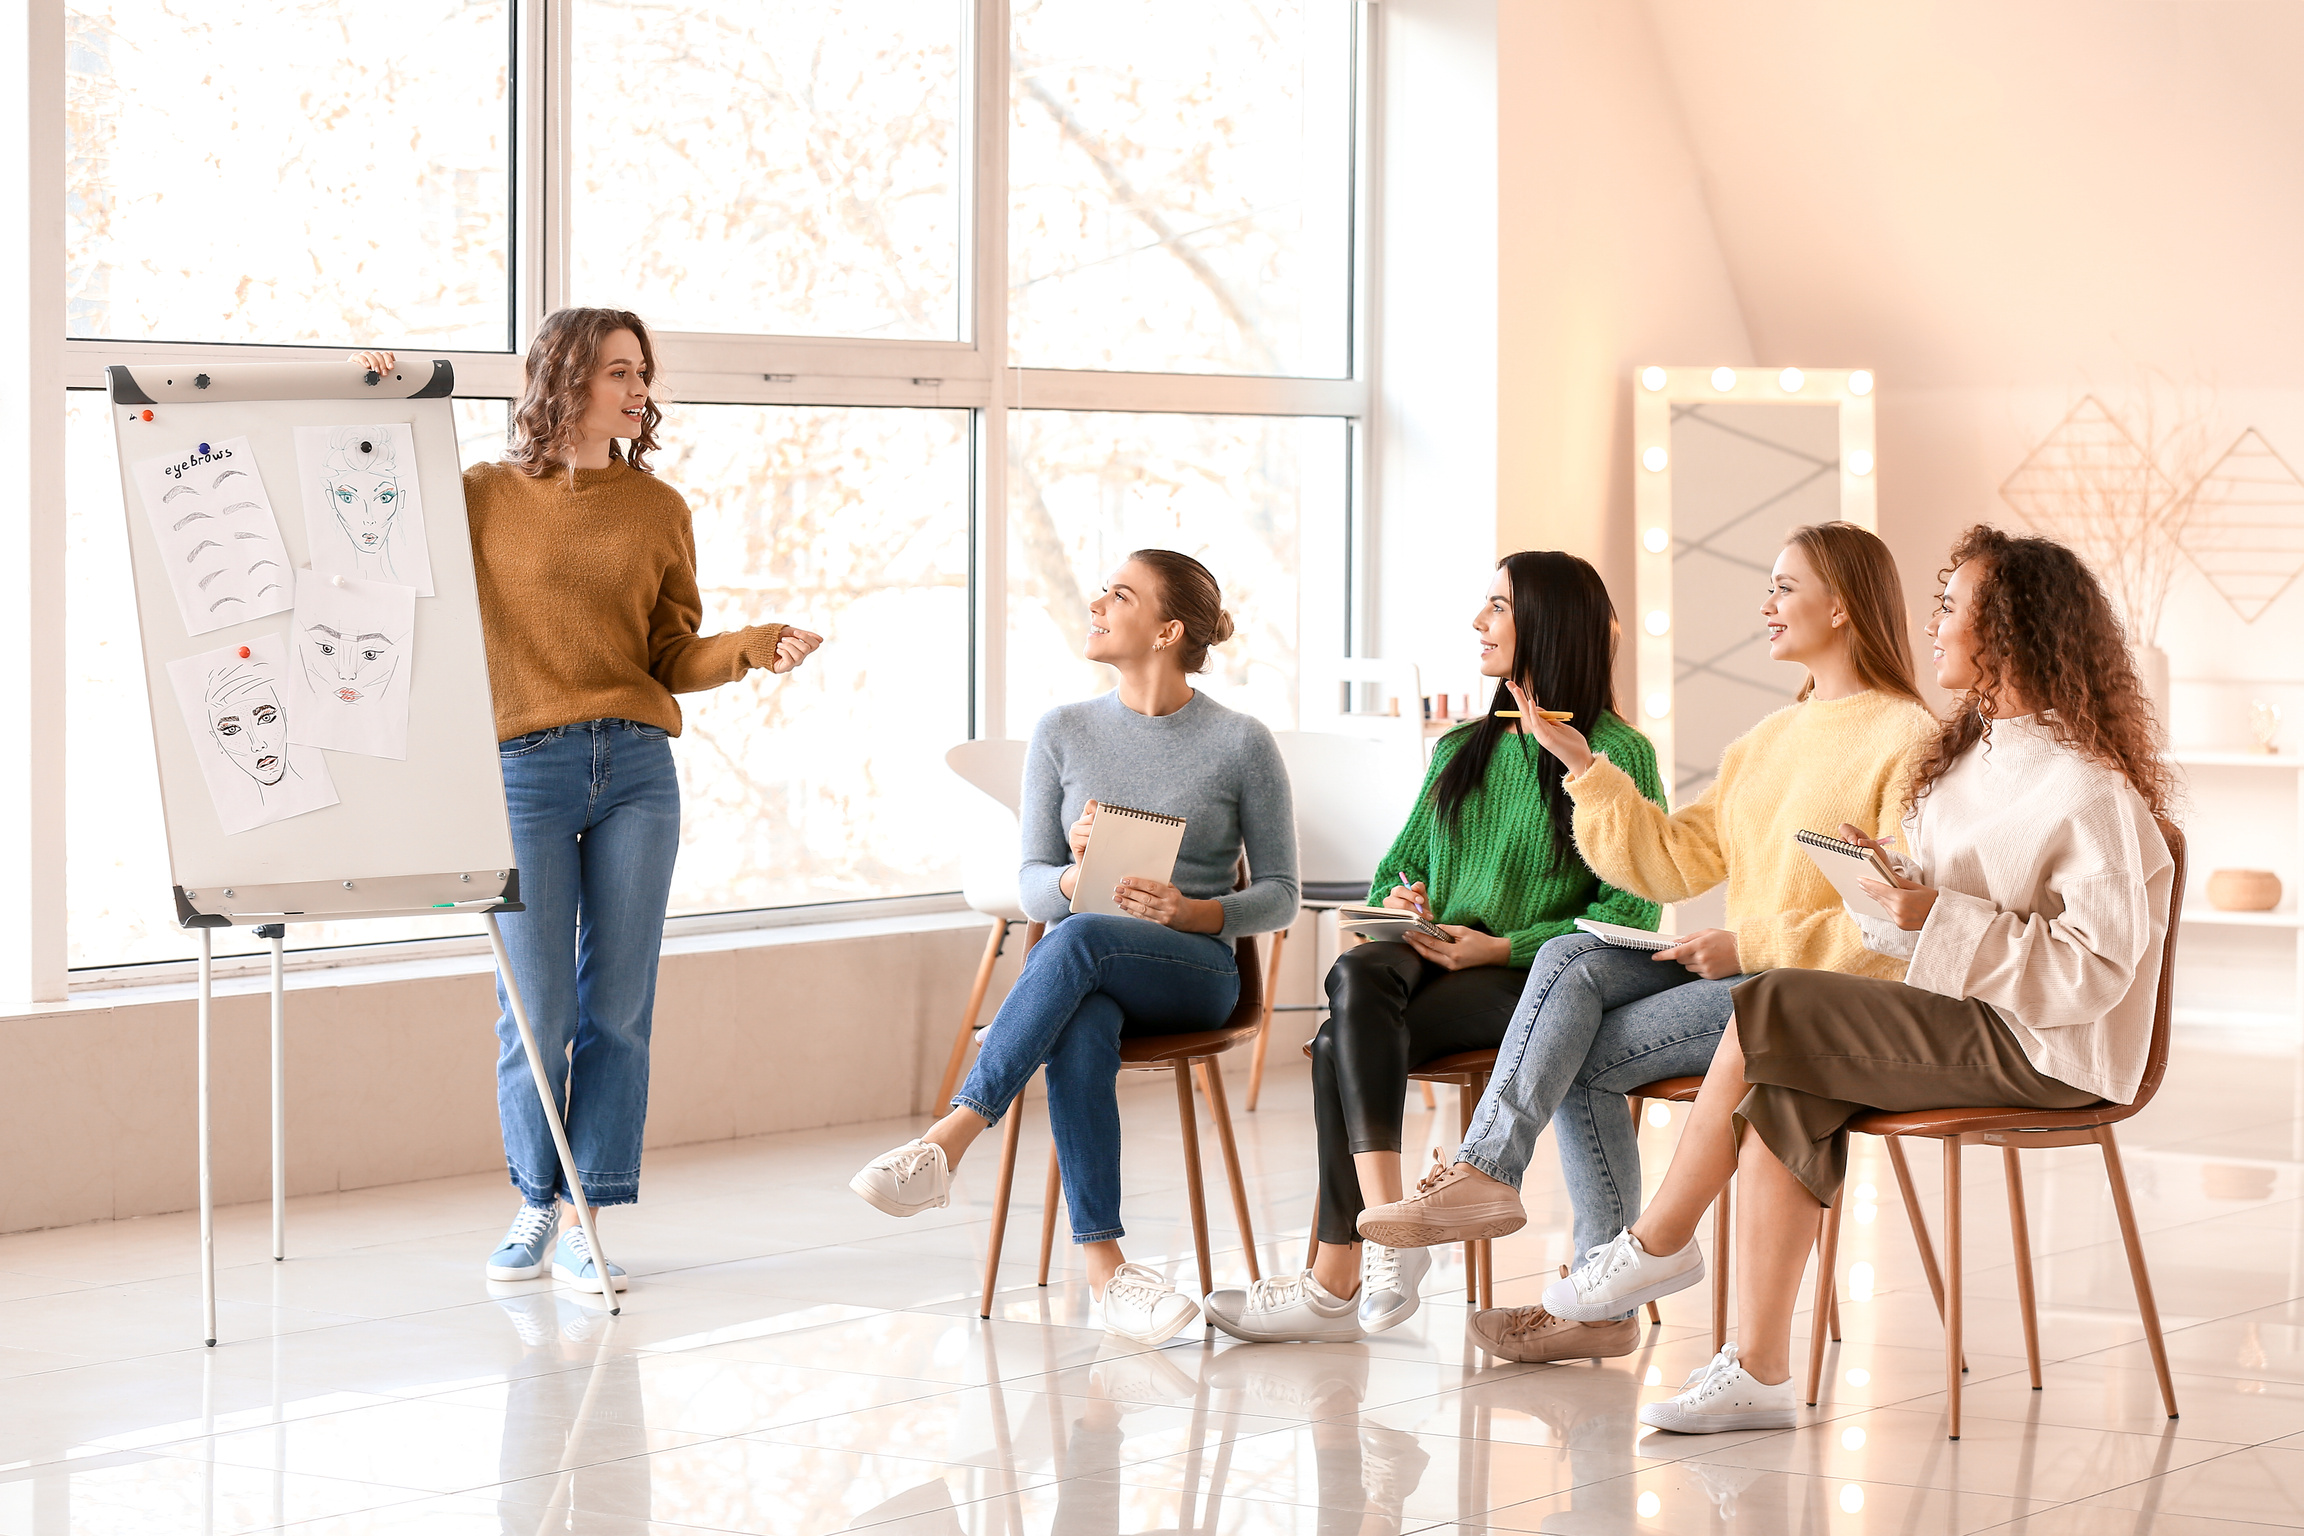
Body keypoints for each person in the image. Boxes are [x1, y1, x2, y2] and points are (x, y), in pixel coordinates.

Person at [1544, 526, 2175, 1434]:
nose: (1934, 625)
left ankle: (1657, 1243)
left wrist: (1935, 918)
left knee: (1772, 1003)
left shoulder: (2090, 790)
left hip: (2046, 1049)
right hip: (1956, 1020)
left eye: (1952, 608)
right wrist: (1890, 888)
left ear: (2011, 631)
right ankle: (1759, 1372)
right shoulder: (1961, 764)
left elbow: (2098, 974)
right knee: (1790, 1083)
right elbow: (1922, 920)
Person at [1354, 521, 1937, 1365]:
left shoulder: (1906, 738)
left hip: (1820, 995)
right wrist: (1584, 769)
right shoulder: (1770, 741)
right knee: (1566, 967)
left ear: (1841, 607)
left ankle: (1542, 1238)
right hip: (1750, 978)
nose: (1765, 604)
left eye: (1784, 587)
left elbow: (1896, 924)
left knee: (1574, 1026)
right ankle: (1549, 1243)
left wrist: (1750, 943)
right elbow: (1670, 862)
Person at [356, 314, 824, 1292]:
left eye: (643, 373)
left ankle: (589, 1214)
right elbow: (383, 533)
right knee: (535, 1008)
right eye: (619, 370)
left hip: (638, 771)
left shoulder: (658, 508)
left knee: (618, 1009)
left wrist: (748, 645)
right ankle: (537, 1196)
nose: (637, 388)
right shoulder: (482, 494)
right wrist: (377, 400)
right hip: (520, 768)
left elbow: (667, 655)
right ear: (564, 378)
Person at [1202, 552, 1667, 1344]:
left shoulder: (1620, 754)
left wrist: (1503, 947)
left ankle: (1335, 1281)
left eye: (1497, 607)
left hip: (1534, 985)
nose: (1478, 623)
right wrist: (1404, 899)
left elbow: (1631, 911)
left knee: (1328, 1053)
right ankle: (1390, 1227)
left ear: (1549, 626)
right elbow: (1397, 864)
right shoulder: (1463, 747)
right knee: (1356, 967)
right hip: (1427, 954)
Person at [848, 550, 1298, 1344]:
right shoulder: (1061, 731)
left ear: (1167, 630)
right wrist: (1071, 876)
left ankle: (946, 1143)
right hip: (1088, 964)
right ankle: (1107, 1272)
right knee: (1081, 1017)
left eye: (1119, 594)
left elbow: (1283, 894)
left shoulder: (1240, 743)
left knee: (1082, 943)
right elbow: (1027, 883)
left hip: (1193, 970)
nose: (1096, 602)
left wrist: (1196, 911)